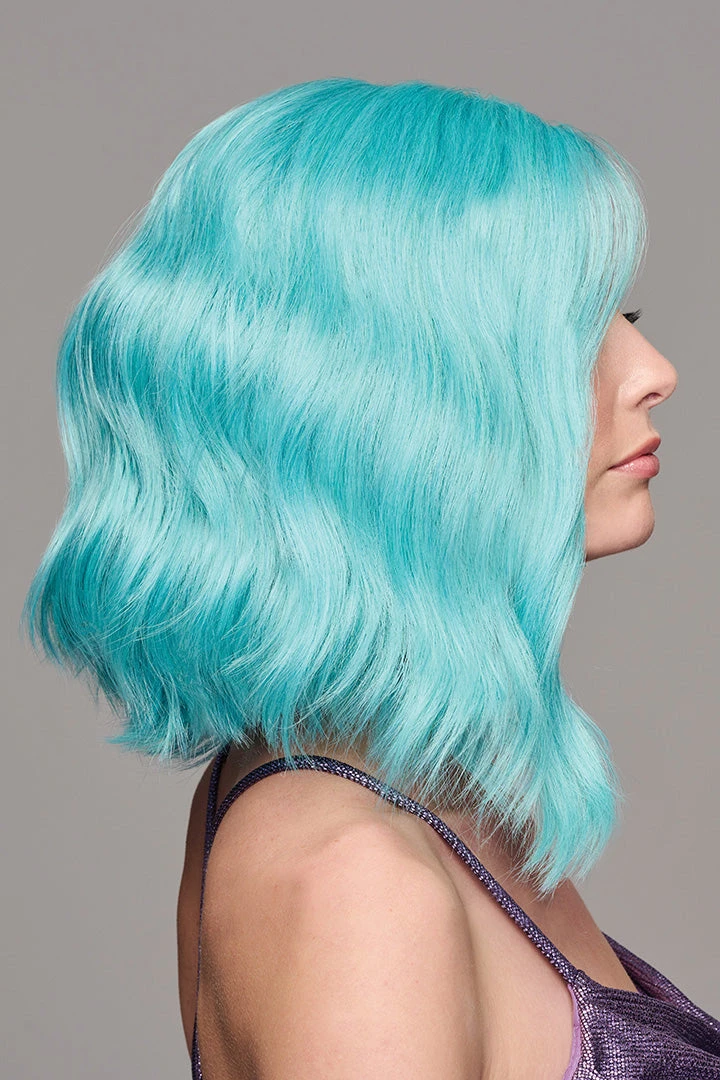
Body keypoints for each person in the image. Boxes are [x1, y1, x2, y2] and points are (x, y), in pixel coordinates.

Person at [22, 78, 719, 1078]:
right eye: (577, 331)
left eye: (628, 313)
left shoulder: (385, 791)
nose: (654, 369)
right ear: (399, 405)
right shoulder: (353, 880)